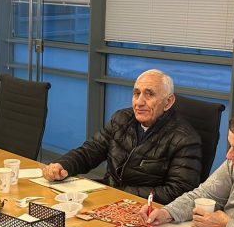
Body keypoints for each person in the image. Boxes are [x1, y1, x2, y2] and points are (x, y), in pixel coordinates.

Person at [42, 70, 201, 204]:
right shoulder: (122, 119)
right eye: (136, 93)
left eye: (149, 94)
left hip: (145, 211)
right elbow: (90, 151)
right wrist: (63, 165)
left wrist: (118, 193)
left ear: (168, 102)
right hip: (109, 197)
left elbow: (178, 192)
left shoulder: (185, 139)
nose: (139, 102)